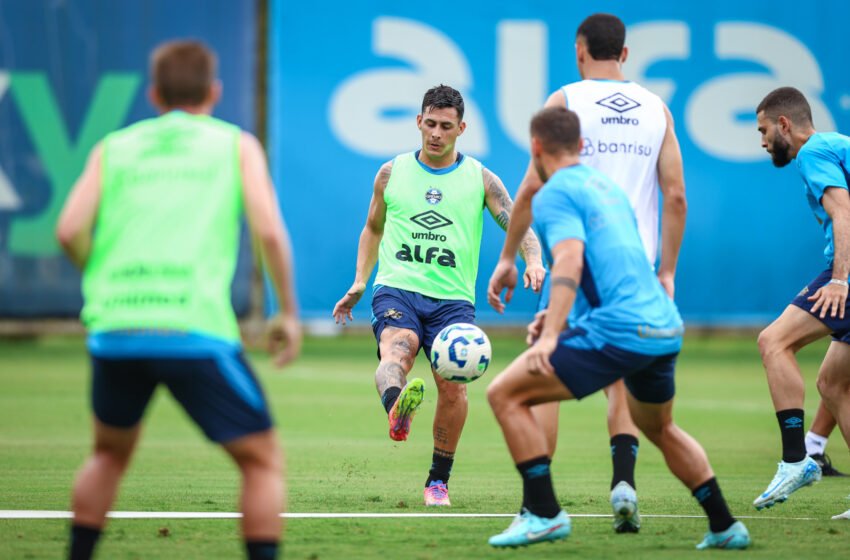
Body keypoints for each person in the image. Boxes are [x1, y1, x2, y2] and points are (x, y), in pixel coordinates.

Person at [55, 40, 302, 560]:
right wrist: (288, 312)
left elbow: (69, 229)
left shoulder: (113, 146)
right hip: (193, 328)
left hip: (115, 328)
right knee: (261, 460)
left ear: (154, 94)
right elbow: (271, 234)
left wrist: (100, 274)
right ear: (214, 91)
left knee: (107, 455)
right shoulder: (235, 144)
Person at [486, 106, 750, 549]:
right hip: (664, 325)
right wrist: (557, 319)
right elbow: (606, 267)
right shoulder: (607, 188)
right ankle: (725, 525)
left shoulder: (553, 194)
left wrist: (551, 336)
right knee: (660, 428)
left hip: (622, 329)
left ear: (535, 148)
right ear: (582, 147)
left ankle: (544, 513)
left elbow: (569, 260)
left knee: (505, 394)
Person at [488, 12, 687, 532]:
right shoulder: (656, 108)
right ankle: (624, 483)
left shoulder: (566, 100)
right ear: (624, 54)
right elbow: (676, 196)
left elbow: (531, 187)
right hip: (636, 268)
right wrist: (666, 271)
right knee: (623, 382)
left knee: (539, 370)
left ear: (580, 51)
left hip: (574, 267)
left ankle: (539, 503)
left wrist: (510, 257)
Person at [332, 85, 545, 507]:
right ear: (418, 121)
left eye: (446, 126)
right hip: (398, 288)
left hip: (452, 302)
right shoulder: (391, 173)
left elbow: (517, 222)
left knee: (453, 390)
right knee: (398, 350)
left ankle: (437, 482)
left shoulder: (480, 179)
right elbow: (373, 228)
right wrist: (360, 280)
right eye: (429, 123)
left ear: (461, 128)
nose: (435, 133)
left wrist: (534, 261)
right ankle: (397, 407)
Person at [753, 86, 850, 516]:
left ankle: (796, 460)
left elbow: (843, 213)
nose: (762, 141)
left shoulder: (813, 153)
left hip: (848, 274)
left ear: (785, 125)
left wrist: (842, 281)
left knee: (773, 342)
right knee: (832, 383)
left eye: (763, 130)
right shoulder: (836, 146)